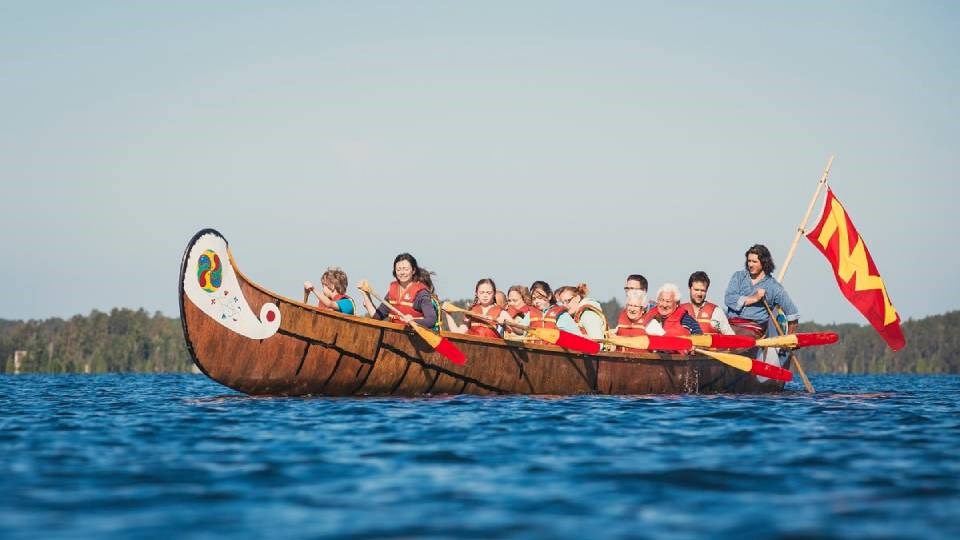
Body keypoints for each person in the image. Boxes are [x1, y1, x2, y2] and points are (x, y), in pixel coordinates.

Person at [724, 244, 799, 338]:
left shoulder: (774, 287)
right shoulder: (738, 276)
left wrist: (789, 339)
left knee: (736, 339)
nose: (750, 265)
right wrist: (755, 298)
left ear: (764, 263)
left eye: (754, 261)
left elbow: (792, 314)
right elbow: (729, 299)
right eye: (749, 261)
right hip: (730, 325)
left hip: (753, 329)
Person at [359, 253, 438, 330]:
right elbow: (377, 317)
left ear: (413, 271)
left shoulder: (421, 293)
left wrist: (413, 321)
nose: (402, 273)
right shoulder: (392, 291)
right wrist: (365, 295)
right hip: (394, 337)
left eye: (406, 269)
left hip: (414, 337)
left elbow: (431, 320)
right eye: (398, 270)